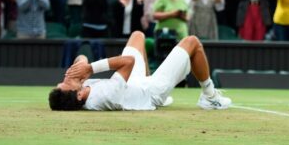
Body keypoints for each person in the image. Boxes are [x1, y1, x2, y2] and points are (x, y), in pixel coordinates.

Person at [49, 31, 231, 111]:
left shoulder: (80, 91)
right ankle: (210, 97)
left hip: (134, 84)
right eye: (66, 82)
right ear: (79, 95)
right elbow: (129, 61)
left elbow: (80, 58)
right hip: (151, 92)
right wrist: (90, 68)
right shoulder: (104, 96)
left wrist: (80, 67)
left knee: (137, 35)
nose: (66, 76)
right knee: (192, 42)